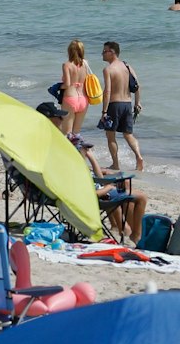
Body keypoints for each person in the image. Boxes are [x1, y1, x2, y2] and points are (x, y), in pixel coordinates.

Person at [38, 101, 144, 243]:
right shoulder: (56, 144)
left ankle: (127, 231)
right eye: (59, 117)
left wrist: (90, 165)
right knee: (138, 195)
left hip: (75, 187)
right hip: (82, 192)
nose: (62, 120)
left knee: (125, 187)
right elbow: (72, 175)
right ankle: (134, 235)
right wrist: (90, 160)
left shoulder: (47, 142)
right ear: (49, 119)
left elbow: (67, 170)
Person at [98, 41, 142, 173]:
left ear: (112, 52)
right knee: (128, 135)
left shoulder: (108, 69)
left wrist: (104, 111)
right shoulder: (127, 66)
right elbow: (137, 86)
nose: (102, 54)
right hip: (127, 104)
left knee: (110, 136)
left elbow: (107, 92)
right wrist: (137, 103)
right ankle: (139, 157)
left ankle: (115, 164)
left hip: (114, 105)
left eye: (104, 51)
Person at [60, 40, 93, 142]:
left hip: (70, 98)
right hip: (83, 99)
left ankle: (68, 156)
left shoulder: (67, 65)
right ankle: (81, 154)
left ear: (69, 51)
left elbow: (67, 84)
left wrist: (58, 88)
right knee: (76, 133)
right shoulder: (86, 64)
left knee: (67, 133)